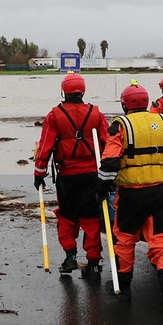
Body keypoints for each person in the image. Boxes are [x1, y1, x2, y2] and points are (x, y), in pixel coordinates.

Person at [96, 79, 163, 313]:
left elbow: (110, 161)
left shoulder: (119, 125)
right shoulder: (162, 120)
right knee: (160, 239)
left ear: (125, 105)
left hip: (132, 194)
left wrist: (101, 186)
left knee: (124, 238)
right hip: (160, 190)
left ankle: (123, 290)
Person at [34, 72, 109, 280]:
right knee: (92, 219)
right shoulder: (96, 114)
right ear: (83, 90)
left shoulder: (54, 116)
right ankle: (93, 263)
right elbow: (107, 142)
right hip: (93, 176)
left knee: (67, 216)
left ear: (63, 91)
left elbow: (45, 147)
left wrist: (39, 173)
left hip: (67, 177)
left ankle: (70, 256)